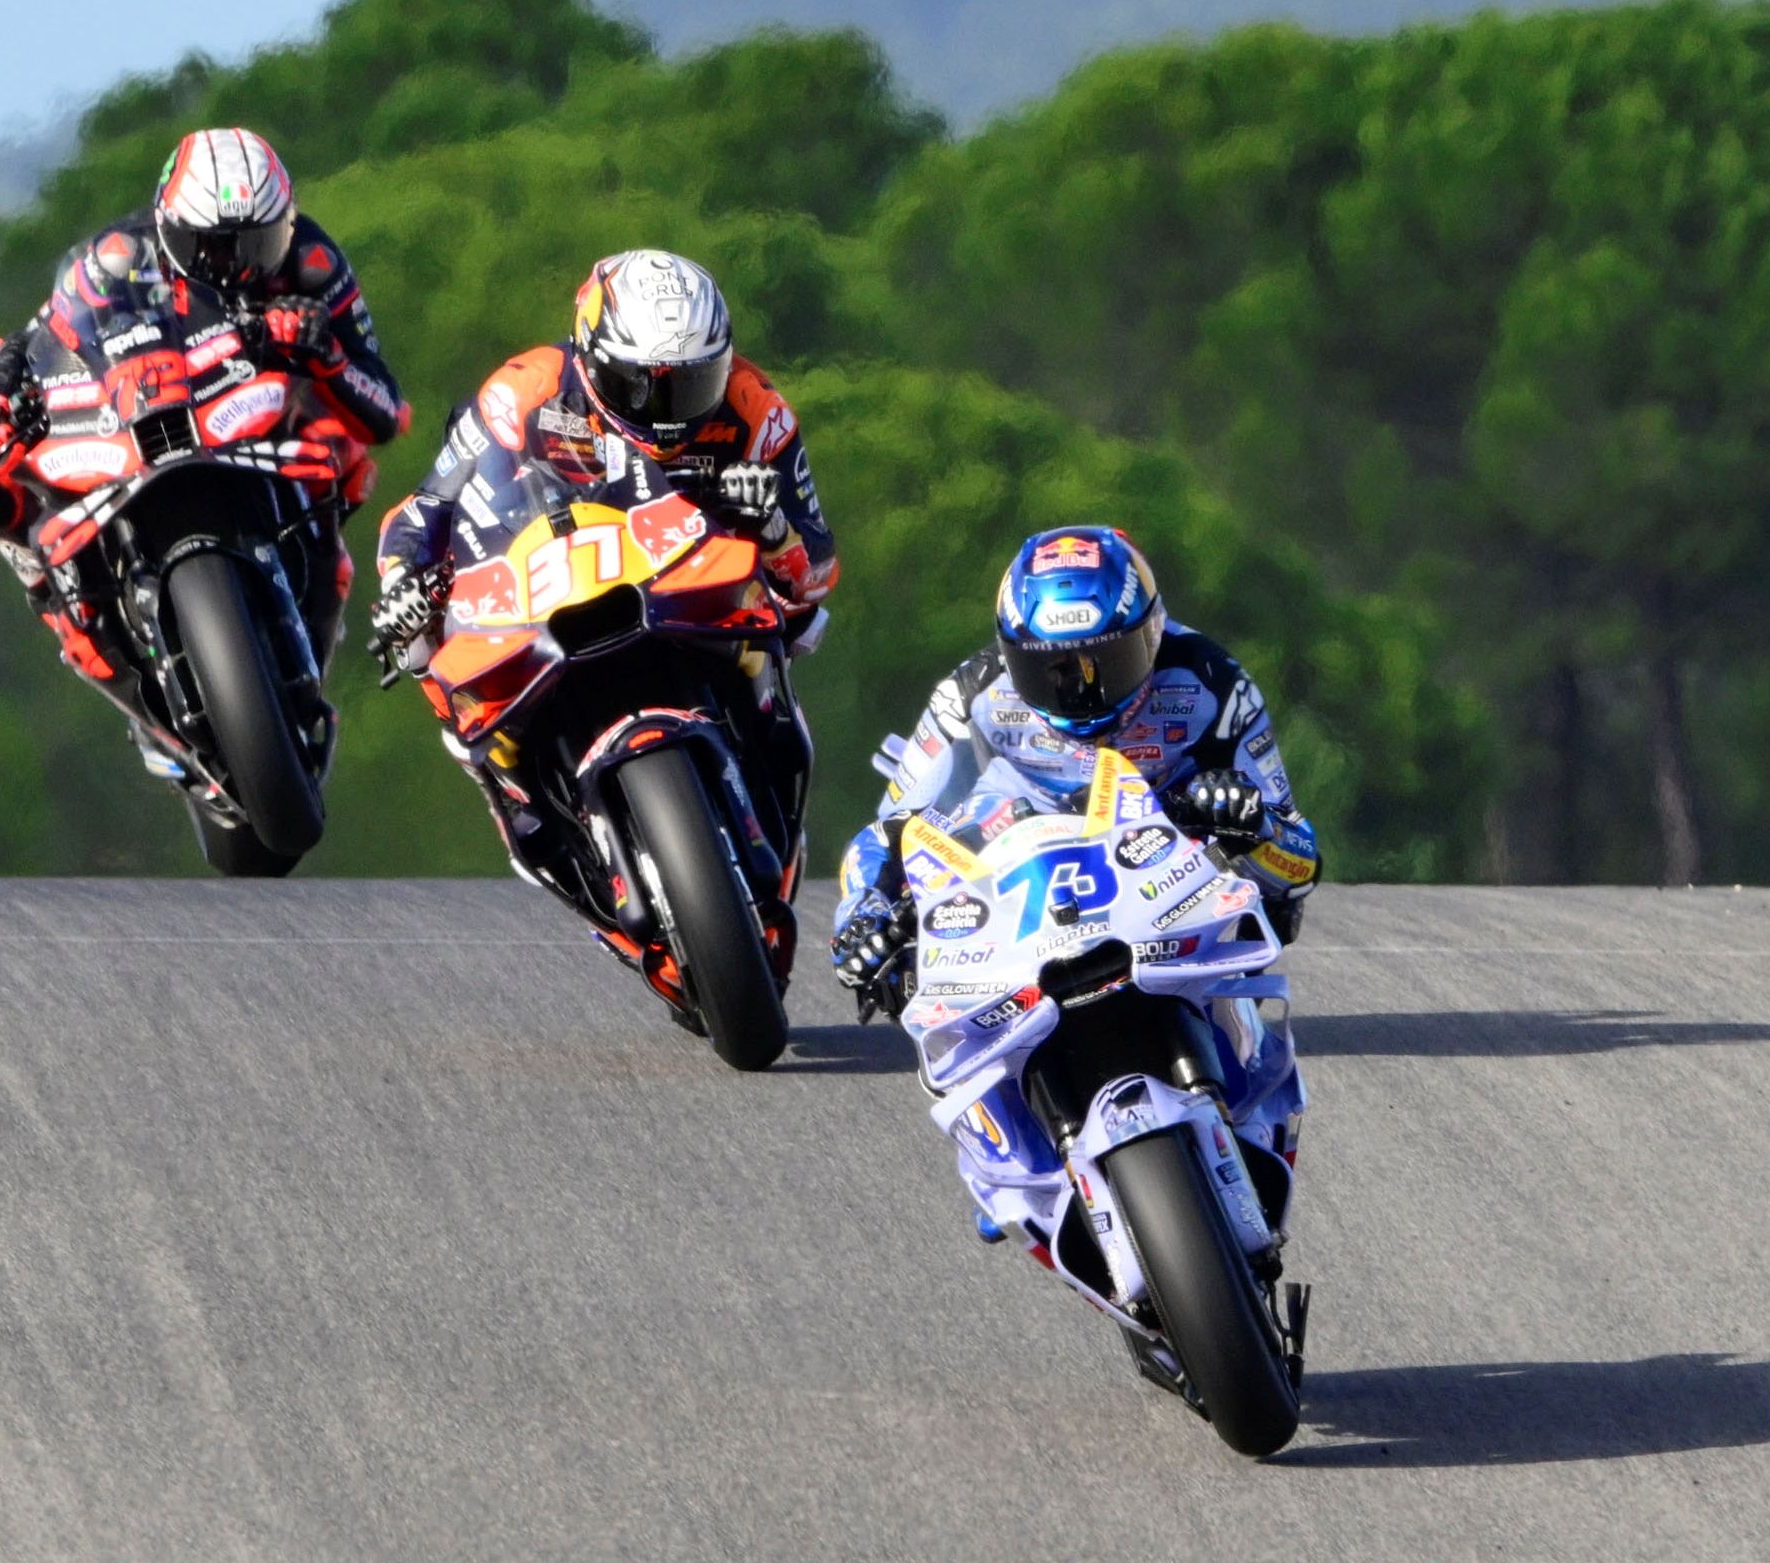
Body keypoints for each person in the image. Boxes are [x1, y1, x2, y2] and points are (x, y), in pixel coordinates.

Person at [365, 248, 835, 854]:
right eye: (639, 384)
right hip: (557, 583)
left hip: (697, 591)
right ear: (589, 356)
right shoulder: (523, 391)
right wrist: (404, 580)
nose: (666, 413)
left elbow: (817, 572)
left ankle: (760, 759)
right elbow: (427, 509)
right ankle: (514, 789)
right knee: (423, 646)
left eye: (693, 385)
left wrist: (771, 526)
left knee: (802, 624)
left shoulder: (756, 410)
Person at [829, 524, 1319, 1025]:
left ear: (1151, 632)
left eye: (1107, 660)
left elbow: (1301, 861)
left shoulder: (1216, 683)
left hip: (1163, 841)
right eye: (1051, 669)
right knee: (923, 879)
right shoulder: (971, 692)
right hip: (1020, 857)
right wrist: (863, 917)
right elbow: (888, 834)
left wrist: (1252, 822)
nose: (1082, 692)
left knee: (1260, 873)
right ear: (1010, 652)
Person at [0, 123, 409, 646]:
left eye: (260, 243)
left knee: (344, 447)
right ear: (171, 226)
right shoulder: (123, 255)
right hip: (151, 417)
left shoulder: (313, 261)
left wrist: (324, 354)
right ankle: (65, 612)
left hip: (259, 422)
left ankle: (315, 556)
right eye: (213, 248)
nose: (239, 267)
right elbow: (34, 336)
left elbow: (386, 407)